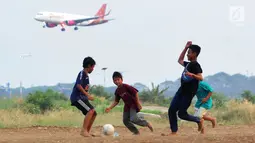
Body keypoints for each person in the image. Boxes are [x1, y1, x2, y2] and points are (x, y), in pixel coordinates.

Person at [167, 41, 204, 135]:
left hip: (189, 93)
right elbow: (180, 60)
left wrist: (192, 74)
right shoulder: (188, 64)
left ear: (194, 54)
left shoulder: (196, 65)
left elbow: (201, 78)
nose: (187, 54)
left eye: (189, 52)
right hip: (181, 91)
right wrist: (185, 48)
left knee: (182, 114)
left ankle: (198, 120)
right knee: (171, 110)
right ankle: (174, 132)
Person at [70, 56, 97, 137]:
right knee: (90, 111)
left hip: (82, 98)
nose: (93, 69)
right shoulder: (82, 73)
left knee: (94, 113)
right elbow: (78, 85)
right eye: (93, 67)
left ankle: (87, 132)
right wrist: (87, 95)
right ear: (89, 66)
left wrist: (87, 96)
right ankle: (83, 131)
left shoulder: (86, 76)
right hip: (77, 98)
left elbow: (84, 88)